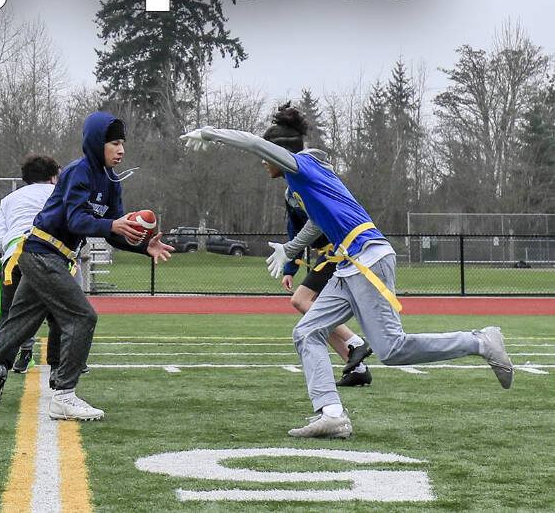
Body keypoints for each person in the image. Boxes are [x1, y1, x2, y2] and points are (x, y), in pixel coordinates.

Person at [182, 103, 514, 439]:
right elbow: (316, 222)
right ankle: (332, 415)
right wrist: (291, 250)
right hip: (348, 265)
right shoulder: (303, 181)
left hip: (366, 258)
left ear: (281, 152)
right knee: (307, 332)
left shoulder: (302, 166)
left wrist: (212, 133)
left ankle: (481, 342)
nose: (263, 162)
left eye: (268, 157)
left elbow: (255, 144)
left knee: (392, 350)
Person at [0, 111, 173, 420]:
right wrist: (112, 225)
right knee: (83, 316)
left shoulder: (111, 182)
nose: (121, 150)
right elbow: (76, 220)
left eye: (123, 144)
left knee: (15, 328)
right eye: (114, 143)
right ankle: (64, 394)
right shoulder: (78, 172)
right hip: (41, 253)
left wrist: (145, 245)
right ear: (96, 142)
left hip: (53, 257)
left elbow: (113, 232)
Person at [278, 149, 374, 388]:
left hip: (341, 251)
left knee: (301, 301)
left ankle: (355, 342)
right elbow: (295, 228)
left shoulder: (325, 189)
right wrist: (290, 267)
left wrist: (290, 255)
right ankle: (357, 369)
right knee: (315, 314)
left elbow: (319, 224)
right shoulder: (292, 193)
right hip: (329, 254)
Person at [0, 154, 63, 405]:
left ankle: (0, 367)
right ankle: (57, 372)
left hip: (13, 258)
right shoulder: (57, 194)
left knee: (9, 320)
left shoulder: (8, 200)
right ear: (53, 176)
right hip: (49, 256)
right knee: (61, 315)